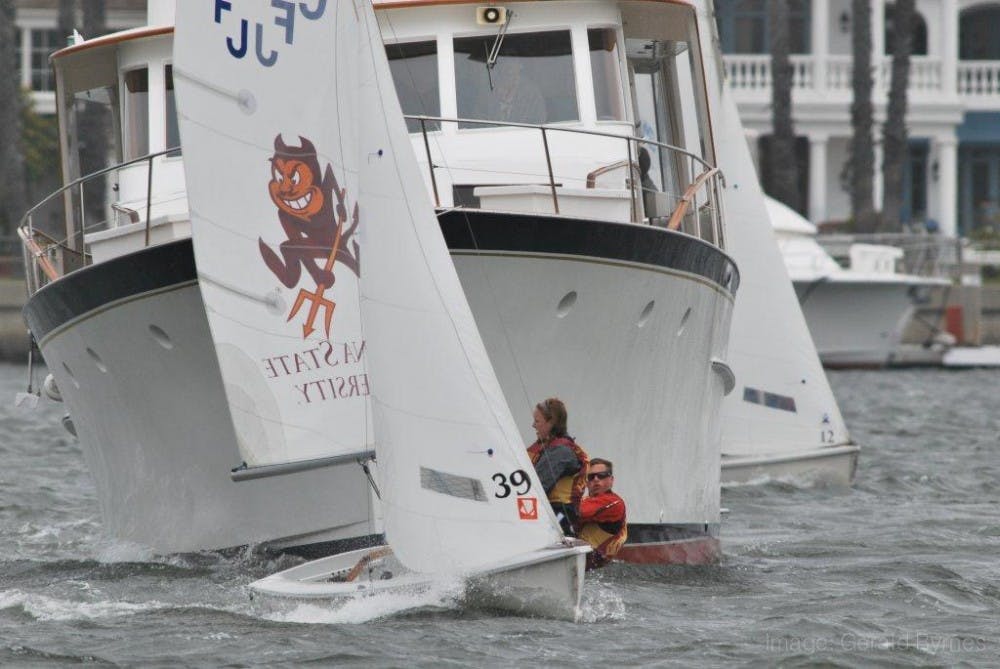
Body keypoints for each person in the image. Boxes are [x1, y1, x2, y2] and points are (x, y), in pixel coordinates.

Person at [526, 397, 589, 536]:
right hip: (555, 513)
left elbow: (536, 486)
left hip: (559, 516)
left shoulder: (560, 451)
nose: (533, 425)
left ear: (551, 422)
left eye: (537, 421)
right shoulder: (552, 448)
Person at [577, 458, 627, 570]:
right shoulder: (585, 500)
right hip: (580, 562)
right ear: (587, 482)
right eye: (591, 477)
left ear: (611, 480)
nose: (596, 479)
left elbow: (578, 512)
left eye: (601, 476)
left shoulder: (614, 502)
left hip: (591, 565)